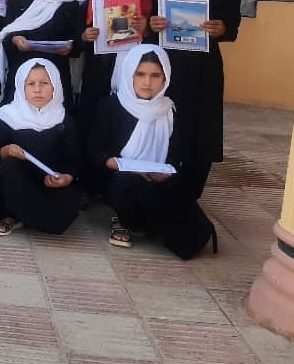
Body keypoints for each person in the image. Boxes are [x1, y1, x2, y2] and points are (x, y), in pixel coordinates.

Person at [148, 0, 241, 200]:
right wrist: (154, 24)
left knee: (201, 126)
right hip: (169, 64)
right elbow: (152, 25)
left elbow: (232, 28)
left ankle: (189, 195)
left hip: (204, 67)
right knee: (168, 122)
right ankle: (160, 189)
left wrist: (221, 28)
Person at [87, 44, 211, 251]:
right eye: (140, 74)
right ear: (129, 74)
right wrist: (130, 168)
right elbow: (96, 152)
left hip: (156, 179)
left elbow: (175, 156)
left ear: (165, 78)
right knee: (126, 183)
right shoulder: (111, 106)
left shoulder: (169, 109)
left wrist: (165, 173)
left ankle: (152, 224)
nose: (147, 82)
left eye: (155, 75)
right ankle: (124, 219)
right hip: (120, 177)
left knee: (178, 192)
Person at [0, 59, 81, 236]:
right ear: (21, 87)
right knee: (9, 167)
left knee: (66, 205)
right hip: (17, 183)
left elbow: (73, 160)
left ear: (55, 86)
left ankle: (33, 217)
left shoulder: (64, 120)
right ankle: (12, 216)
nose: (37, 89)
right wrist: (7, 150)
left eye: (44, 83)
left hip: (49, 183)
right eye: (31, 84)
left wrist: (66, 177)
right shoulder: (9, 115)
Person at [77, 0, 151, 141]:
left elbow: (157, 48)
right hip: (97, 79)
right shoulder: (91, 4)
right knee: (93, 128)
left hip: (133, 80)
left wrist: (147, 29)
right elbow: (75, 43)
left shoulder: (147, 7)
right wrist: (85, 37)